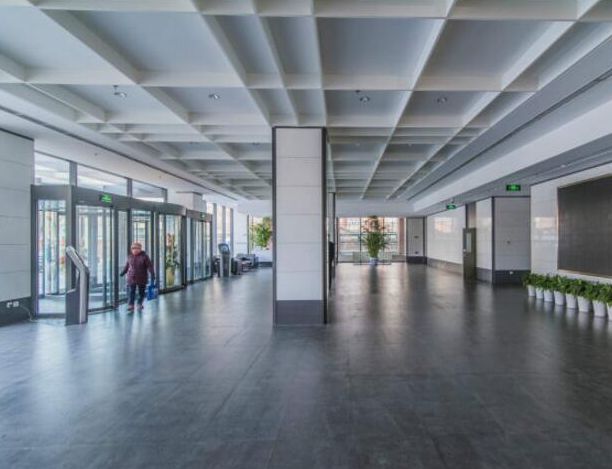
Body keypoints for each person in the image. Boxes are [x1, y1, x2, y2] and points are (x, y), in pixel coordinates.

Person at [120, 242, 155, 312]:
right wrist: (122, 273)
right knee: (131, 292)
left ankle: (139, 303)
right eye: (133, 248)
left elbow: (150, 266)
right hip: (131, 277)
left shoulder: (144, 257)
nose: (135, 250)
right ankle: (131, 305)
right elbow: (127, 266)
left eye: (137, 248)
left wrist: (152, 274)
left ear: (140, 249)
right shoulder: (130, 256)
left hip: (142, 277)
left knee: (141, 292)